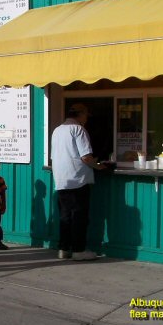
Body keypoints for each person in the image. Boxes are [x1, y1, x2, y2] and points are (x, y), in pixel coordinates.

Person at [51, 103, 106, 261]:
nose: (87, 118)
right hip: (78, 180)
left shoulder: (57, 130)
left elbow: (55, 156)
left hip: (61, 180)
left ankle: (63, 248)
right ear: (81, 114)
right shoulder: (79, 130)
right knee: (79, 217)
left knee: (65, 216)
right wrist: (99, 166)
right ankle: (78, 250)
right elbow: (86, 157)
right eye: (86, 115)